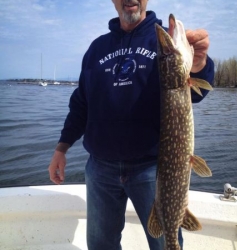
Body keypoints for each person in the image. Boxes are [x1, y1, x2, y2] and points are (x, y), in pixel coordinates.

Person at [48, 0, 214, 249]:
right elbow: (81, 104)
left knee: (164, 240)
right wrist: (62, 148)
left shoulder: (162, 40)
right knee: (101, 245)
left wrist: (199, 66)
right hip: (100, 170)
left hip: (154, 170)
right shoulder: (96, 49)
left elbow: (193, 93)